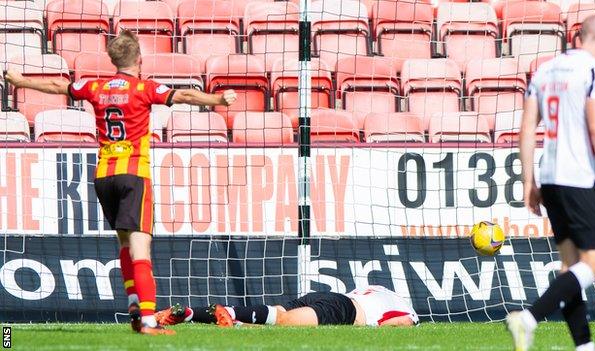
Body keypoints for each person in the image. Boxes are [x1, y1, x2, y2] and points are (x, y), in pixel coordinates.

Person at [4, 30, 237, 335]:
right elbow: (185, 95)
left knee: (125, 244)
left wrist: (20, 81)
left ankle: (132, 304)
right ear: (139, 59)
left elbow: (56, 84)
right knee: (142, 248)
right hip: (133, 175)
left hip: (104, 176)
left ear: (113, 60)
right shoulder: (143, 88)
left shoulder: (95, 86)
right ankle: (149, 321)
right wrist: (217, 99)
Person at [510, 14, 595, 351]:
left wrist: (529, 179)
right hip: (578, 178)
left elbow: (527, 129)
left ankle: (584, 347)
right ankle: (528, 318)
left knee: (570, 267)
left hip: (550, 177)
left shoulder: (544, 70)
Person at [155, 285, 419, 327]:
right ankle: (235, 324)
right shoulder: (409, 312)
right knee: (285, 323)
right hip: (344, 309)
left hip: (326, 296)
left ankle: (189, 313)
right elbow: (403, 323)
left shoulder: (381, 290)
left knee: (276, 315)